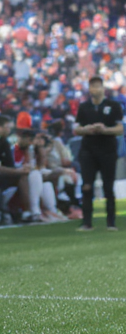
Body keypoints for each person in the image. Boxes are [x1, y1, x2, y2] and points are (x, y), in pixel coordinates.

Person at [73, 76, 123, 231]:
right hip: (88, 150)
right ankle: (87, 222)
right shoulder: (84, 107)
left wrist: (105, 130)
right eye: (91, 86)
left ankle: (111, 222)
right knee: (87, 186)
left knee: (108, 186)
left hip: (107, 150)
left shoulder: (113, 106)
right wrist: (86, 129)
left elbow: (120, 129)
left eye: (97, 86)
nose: (94, 89)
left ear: (103, 88)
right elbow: (76, 129)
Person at [13, 129, 66, 223]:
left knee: (47, 183)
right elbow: (17, 165)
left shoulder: (32, 149)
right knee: (36, 175)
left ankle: (52, 210)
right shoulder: (16, 149)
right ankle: (34, 210)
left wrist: (41, 147)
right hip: (19, 176)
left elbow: (41, 165)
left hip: (32, 175)